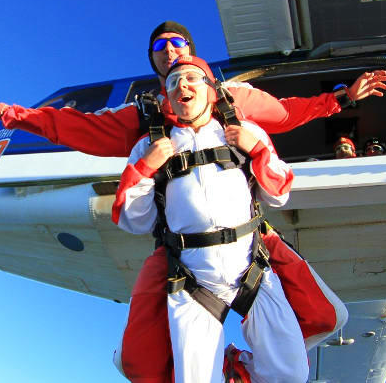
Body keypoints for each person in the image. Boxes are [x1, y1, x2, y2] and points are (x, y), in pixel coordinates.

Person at [0, 21, 382, 382]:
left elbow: (287, 114)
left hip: (250, 249)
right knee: (144, 364)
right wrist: (4, 113)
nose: (172, 51)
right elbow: (72, 127)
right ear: (156, 64)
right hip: (185, 259)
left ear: (198, 62)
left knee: (325, 319)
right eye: (161, 48)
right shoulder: (145, 124)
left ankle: (246, 368)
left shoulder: (236, 104)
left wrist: (341, 100)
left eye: (179, 44)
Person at [113, 56, 307, 382]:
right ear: (167, 97)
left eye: (191, 78)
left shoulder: (245, 131)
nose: (182, 86)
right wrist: (146, 167)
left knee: (293, 376)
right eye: (173, 83)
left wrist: (257, 151)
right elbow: (134, 221)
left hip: (251, 270)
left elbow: (279, 194)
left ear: (210, 89)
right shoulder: (149, 145)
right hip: (192, 279)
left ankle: (237, 367)